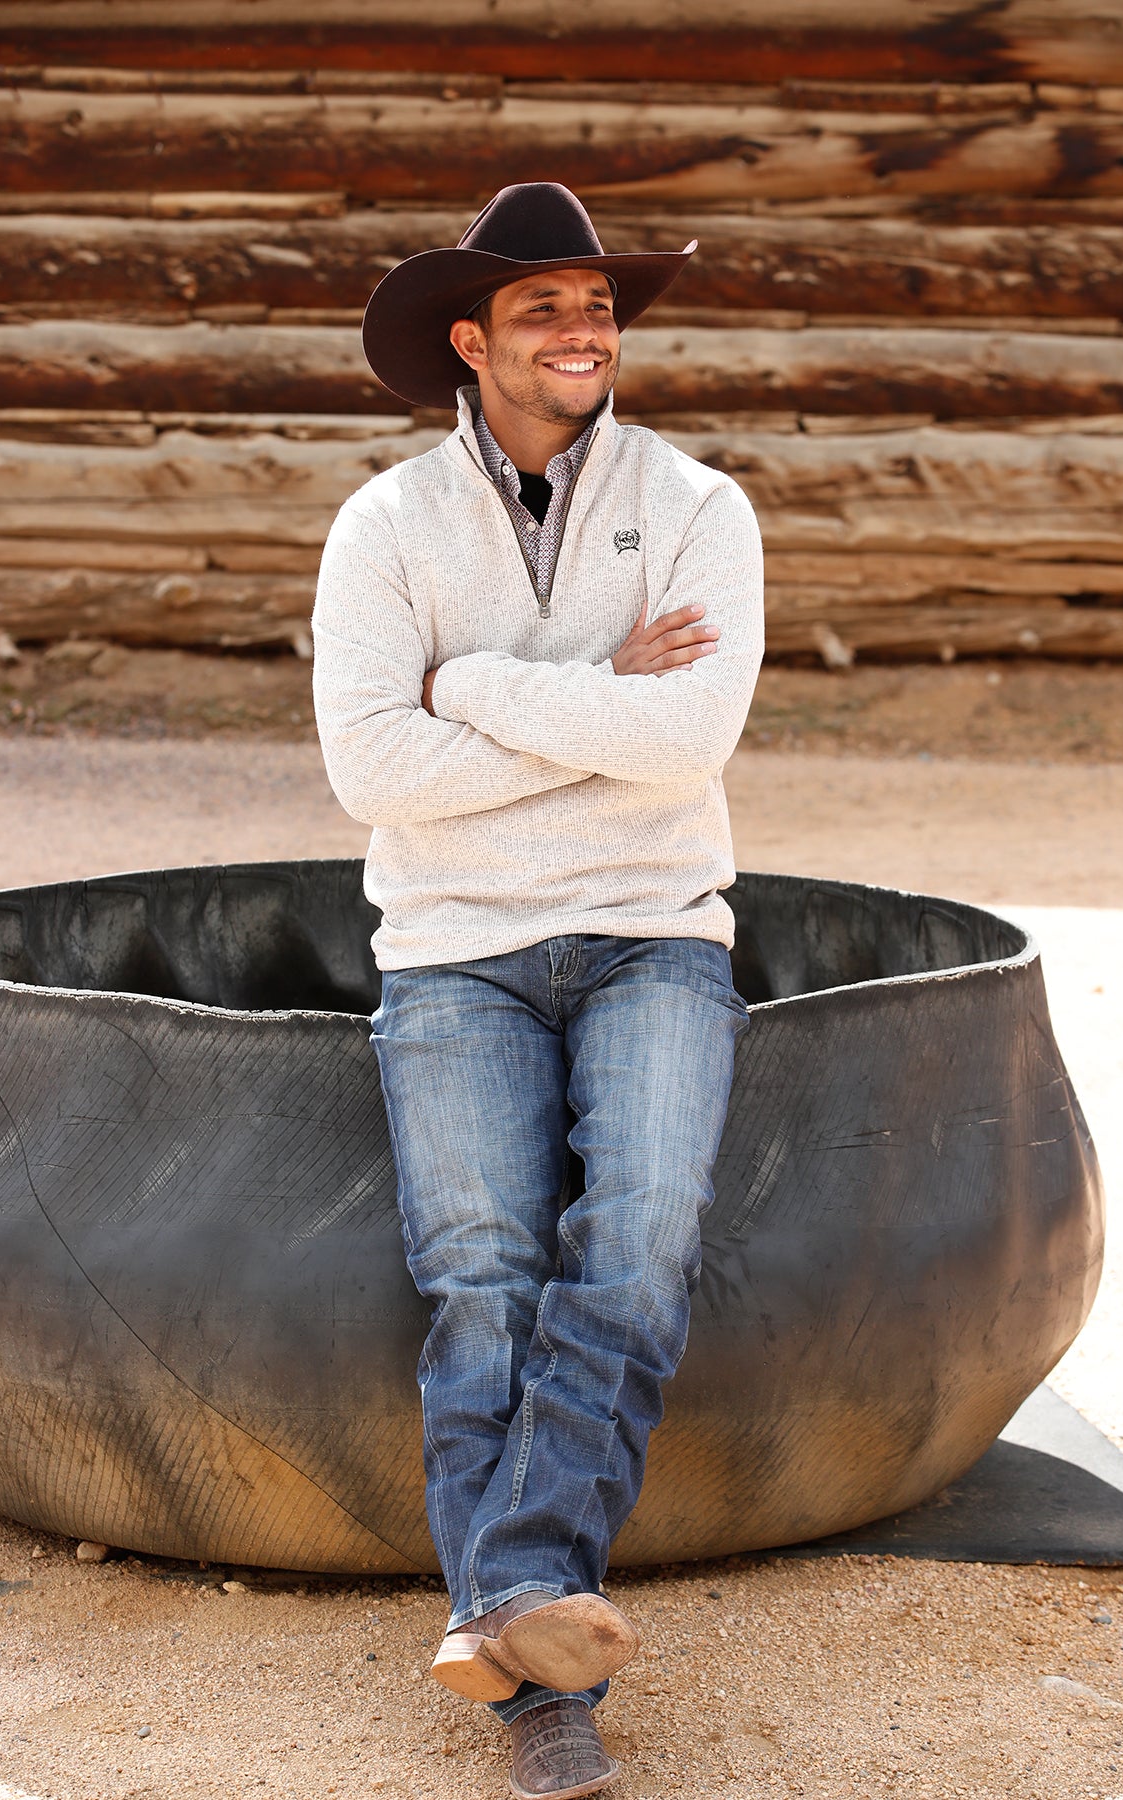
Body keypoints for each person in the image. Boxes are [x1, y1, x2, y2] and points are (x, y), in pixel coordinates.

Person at [312, 182, 764, 1800]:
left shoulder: (700, 506)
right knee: (484, 1279)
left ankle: (502, 1595)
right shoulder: (385, 528)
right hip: (451, 949)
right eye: (542, 313)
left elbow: (683, 745)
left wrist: (478, 689)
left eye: (596, 308)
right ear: (471, 340)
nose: (583, 335)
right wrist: (590, 703)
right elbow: (373, 771)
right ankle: (535, 1676)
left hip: (656, 926)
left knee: (636, 1243)